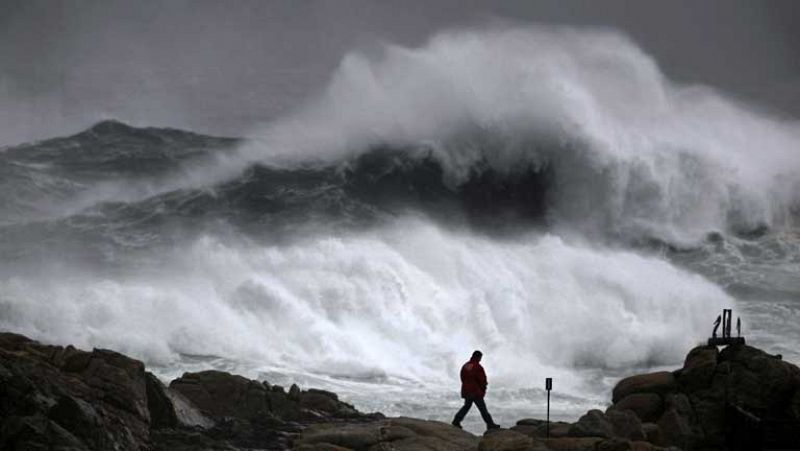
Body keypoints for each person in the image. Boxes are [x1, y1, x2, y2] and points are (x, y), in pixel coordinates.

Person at [452, 350, 500, 430]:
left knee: (467, 406)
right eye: (480, 358)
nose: (480, 359)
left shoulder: (465, 365)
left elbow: (462, 378)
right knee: (482, 408)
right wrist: (483, 388)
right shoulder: (478, 366)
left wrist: (467, 387)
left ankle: (456, 420)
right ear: (478, 357)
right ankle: (490, 424)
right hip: (475, 391)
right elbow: (482, 380)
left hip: (467, 391)